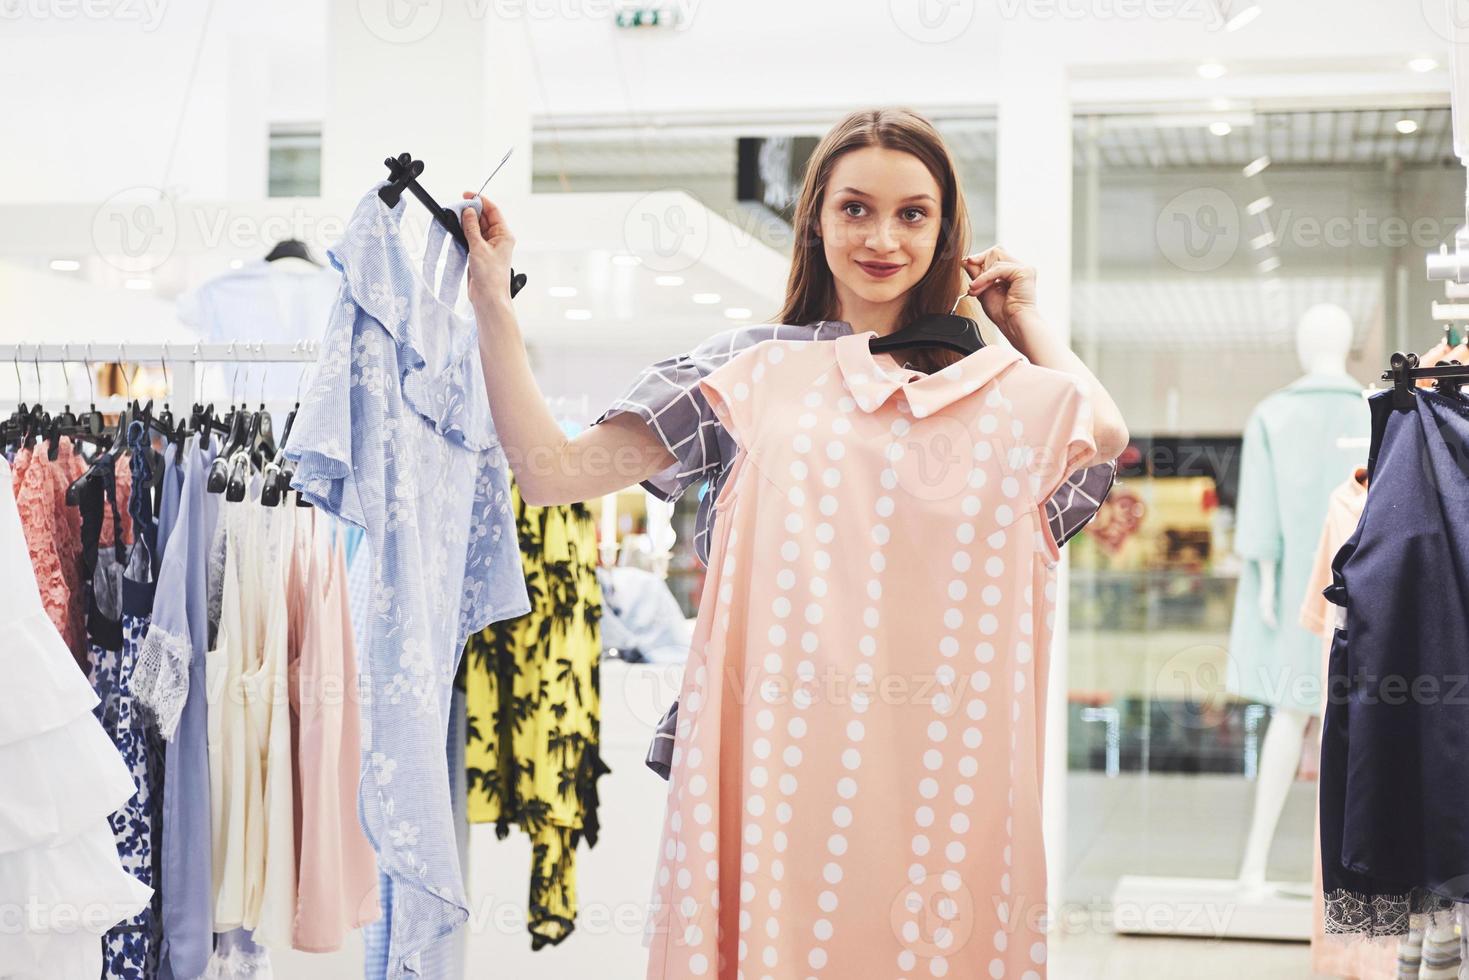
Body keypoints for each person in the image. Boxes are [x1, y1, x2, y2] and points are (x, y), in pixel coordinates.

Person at [462, 107, 1128, 978]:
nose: (882, 237)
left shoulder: (1007, 401)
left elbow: (1102, 433)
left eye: (912, 213)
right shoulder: (753, 371)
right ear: (814, 217)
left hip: (942, 798)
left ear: (944, 226)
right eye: (854, 208)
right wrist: (490, 303)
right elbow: (553, 473)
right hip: (778, 778)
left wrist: (1024, 320)